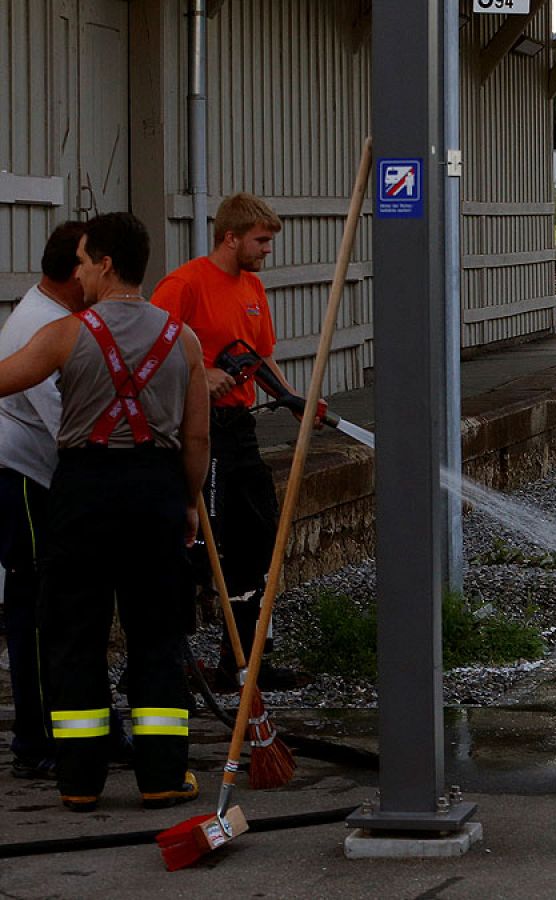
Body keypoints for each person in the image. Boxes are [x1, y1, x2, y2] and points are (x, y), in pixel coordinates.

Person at [0, 212, 210, 811]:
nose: (81, 272)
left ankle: (79, 781)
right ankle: (162, 775)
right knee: (156, 634)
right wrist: (189, 501)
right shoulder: (183, 340)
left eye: (85, 261)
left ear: (107, 264)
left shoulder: (66, 334)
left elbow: (5, 379)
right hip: (155, 492)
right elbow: (197, 439)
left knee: (74, 635)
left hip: (83, 492)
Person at [153, 193, 304, 690]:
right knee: (201, 542)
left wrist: (292, 399)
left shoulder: (253, 288)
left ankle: (241, 659)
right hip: (197, 427)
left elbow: (260, 357)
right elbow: (150, 348)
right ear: (230, 238)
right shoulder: (184, 285)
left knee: (256, 534)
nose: (267, 250)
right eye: (261, 241)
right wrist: (203, 371)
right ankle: (168, 661)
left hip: (240, 428)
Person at [1, 221, 86, 779]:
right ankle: (35, 740)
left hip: (43, 478)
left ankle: (71, 727)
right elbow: (68, 423)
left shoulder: (57, 316)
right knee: (34, 610)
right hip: (26, 479)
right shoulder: (41, 326)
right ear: (79, 273)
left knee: (59, 608)